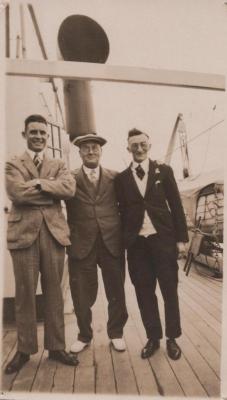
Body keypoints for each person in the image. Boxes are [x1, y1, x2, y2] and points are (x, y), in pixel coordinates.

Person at [4, 114, 78, 374]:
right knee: (25, 293)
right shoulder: (13, 162)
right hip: (23, 235)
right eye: (33, 132)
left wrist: (36, 184)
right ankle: (24, 350)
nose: (38, 136)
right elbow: (16, 193)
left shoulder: (58, 163)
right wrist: (49, 190)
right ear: (24, 134)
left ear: (47, 137)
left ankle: (57, 347)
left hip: (54, 234)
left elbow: (68, 190)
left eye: (42, 133)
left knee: (54, 293)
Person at [115, 128, 188, 360]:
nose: (139, 148)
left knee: (169, 290)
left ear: (149, 145)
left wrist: (182, 239)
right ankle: (153, 338)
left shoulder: (163, 171)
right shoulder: (121, 179)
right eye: (134, 145)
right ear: (128, 148)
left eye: (142, 144)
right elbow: (120, 212)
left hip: (163, 241)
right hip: (137, 245)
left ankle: (172, 338)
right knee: (144, 292)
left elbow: (176, 206)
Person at [66, 133, 128, 353]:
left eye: (94, 148)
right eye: (86, 148)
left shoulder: (115, 177)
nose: (91, 151)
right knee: (81, 293)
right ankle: (84, 335)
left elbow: (129, 206)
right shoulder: (69, 177)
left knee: (116, 290)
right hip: (81, 243)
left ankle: (117, 333)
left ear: (101, 151)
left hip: (111, 241)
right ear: (79, 152)